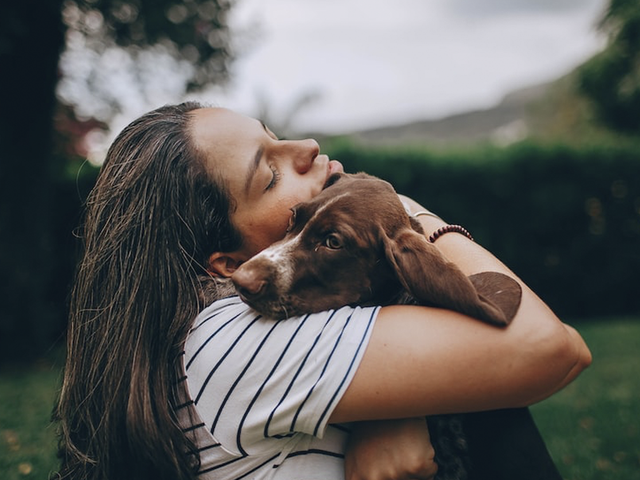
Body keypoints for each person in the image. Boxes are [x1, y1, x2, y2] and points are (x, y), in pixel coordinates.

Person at [53, 102, 591, 480]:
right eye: (268, 174)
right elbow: (550, 348)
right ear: (226, 264)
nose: (307, 146)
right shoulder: (228, 337)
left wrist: (403, 409)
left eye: (273, 134)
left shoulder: (242, 327)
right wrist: (403, 213)